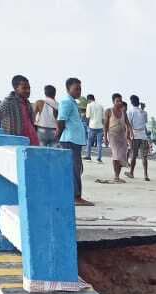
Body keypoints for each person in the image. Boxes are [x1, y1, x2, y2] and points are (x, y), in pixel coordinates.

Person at [56, 77, 93, 207]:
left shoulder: (72, 103)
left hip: (74, 141)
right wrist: (57, 139)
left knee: (77, 169)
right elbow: (61, 121)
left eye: (80, 89)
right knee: (74, 170)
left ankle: (73, 194)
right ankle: (76, 197)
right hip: (69, 140)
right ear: (68, 89)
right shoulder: (66, 102)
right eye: (76, 89)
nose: (79, 91)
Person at [0, 75, 40, 144]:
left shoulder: (27, 103)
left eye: (29, 88)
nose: (28, 91)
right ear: (16, 89)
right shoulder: (9, 102)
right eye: (24, 88)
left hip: (32, 141)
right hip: (17, 141)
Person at [103, 93, 131, 182]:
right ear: (113, 102)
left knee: (122, 156)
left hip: (122, 136)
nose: (119, 103)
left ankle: (117, 176)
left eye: (120, 101)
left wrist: (130, 132)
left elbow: (127, 123)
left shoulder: (123, 112)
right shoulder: (108, 111)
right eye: (117, 101)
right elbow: (105, 125)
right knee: (116, 155)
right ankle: (116, 176)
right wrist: (105, 137)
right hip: (112, 135)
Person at [126, 95, 149, 180]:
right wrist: (142, 109)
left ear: (131, 102)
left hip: (135, 135)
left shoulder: (130, 111)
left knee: (133, 156)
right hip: (143, 136)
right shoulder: (144, 112)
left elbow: (128, 124)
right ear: (138, 102)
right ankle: (145, 175)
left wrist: (127, 135)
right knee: (144, 157)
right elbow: (145, 122)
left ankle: (131, 173)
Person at [85, 93, 105, 161]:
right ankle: (99, 158)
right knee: (99, 143)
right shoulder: (101, 106)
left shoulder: (89, 105)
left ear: (88, 99)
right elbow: (103, 118)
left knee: (89, 142)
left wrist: (87, 125)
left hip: (92, 126)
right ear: (94, 99)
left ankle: (88, 156)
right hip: (100, 126)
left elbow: (88, 116)